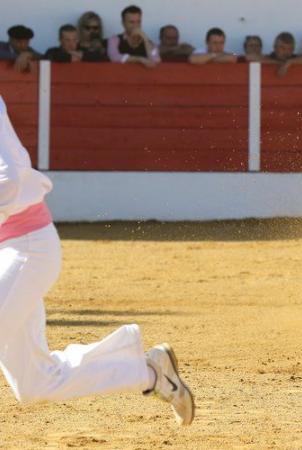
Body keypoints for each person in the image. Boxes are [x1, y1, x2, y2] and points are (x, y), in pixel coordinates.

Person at [0, 96, 194, 425]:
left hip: (25, 248)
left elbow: (9, 180)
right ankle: (151, 374)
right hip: (11, 250)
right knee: (35, 382)